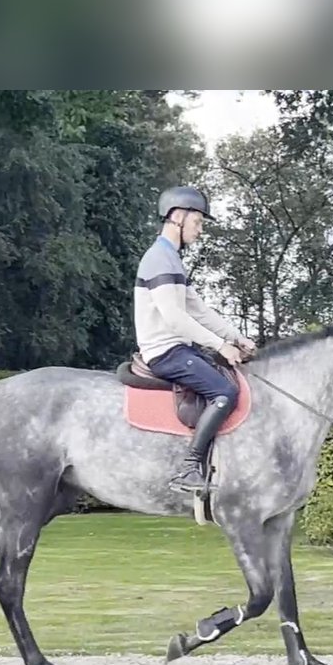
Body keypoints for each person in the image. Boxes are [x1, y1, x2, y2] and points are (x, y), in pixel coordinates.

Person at [134, 185, 257, 493]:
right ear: (177, 217)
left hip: (179, 347)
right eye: (198, 222)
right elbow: (174, 318)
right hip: (164, 352)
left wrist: (237, 337)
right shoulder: (159, 259)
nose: (200, 230)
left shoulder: (172, 259)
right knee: (224, 391)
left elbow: (198, 311)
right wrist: (220, 345)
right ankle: (189, 470)